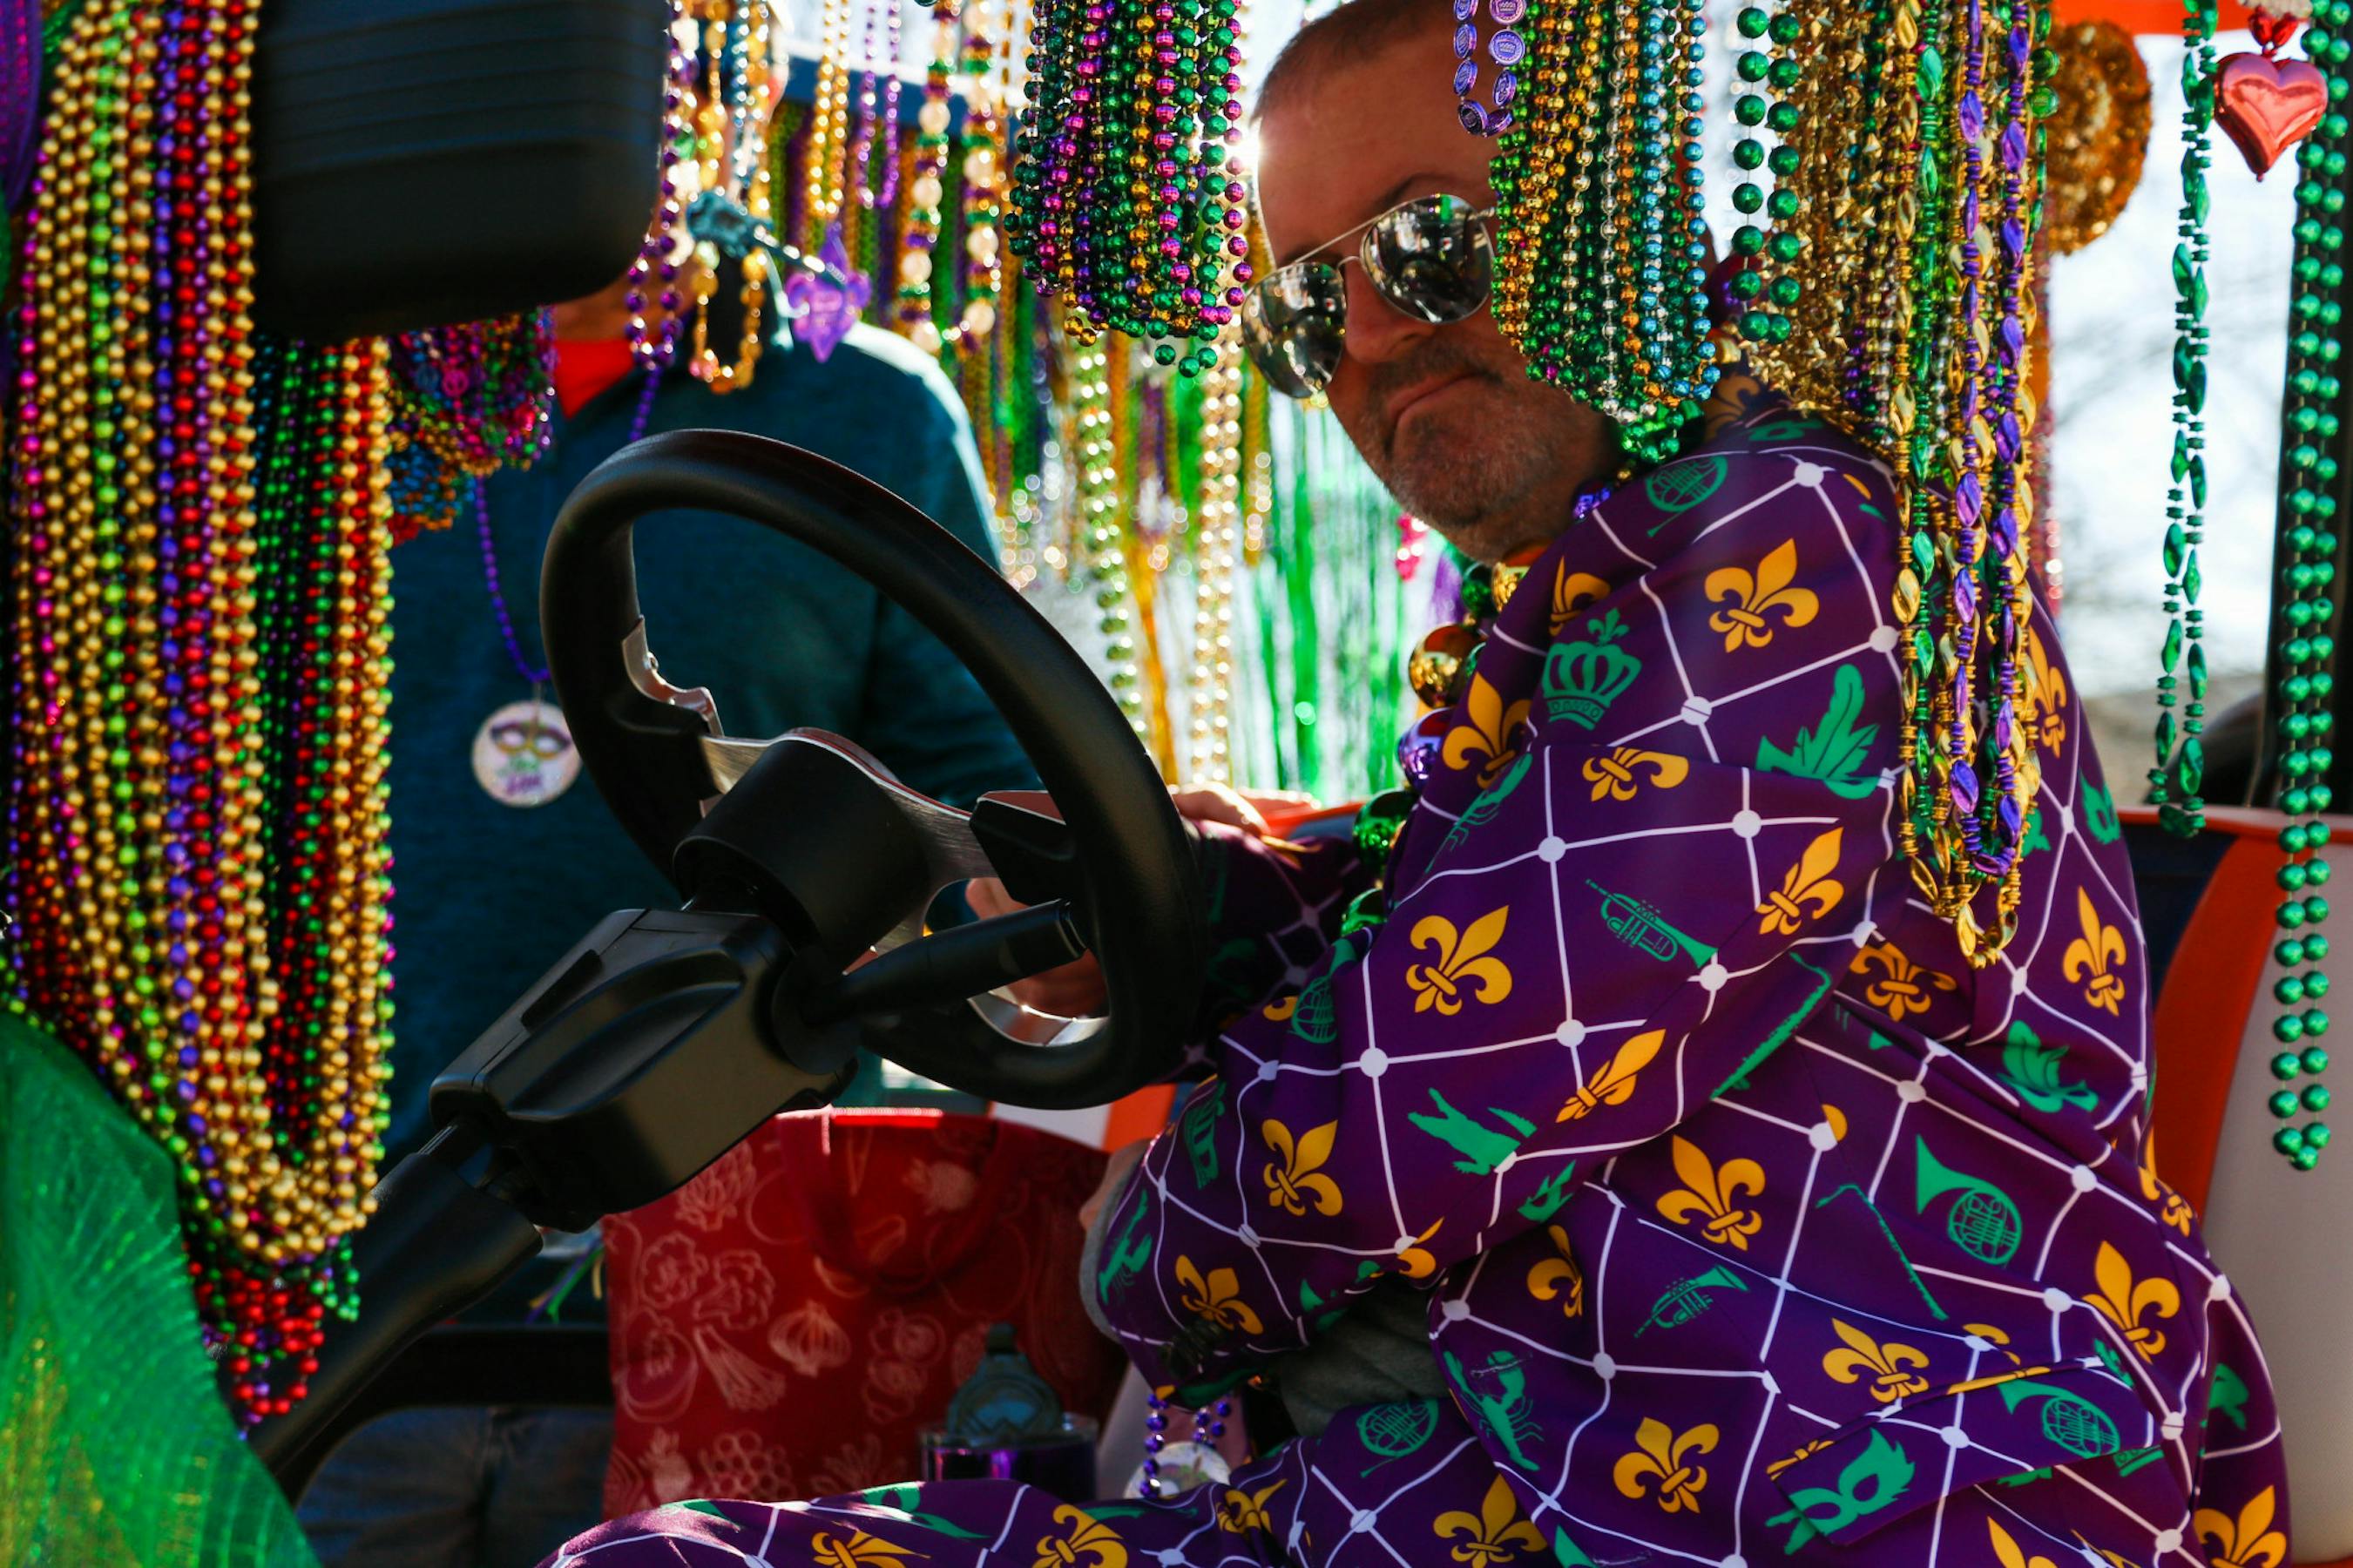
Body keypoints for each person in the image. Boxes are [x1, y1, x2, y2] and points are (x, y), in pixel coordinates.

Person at [543, 2, 2289, 1564]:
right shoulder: (1595, 605)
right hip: (1479, 1481)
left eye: (1430, 243)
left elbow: (1425, 1110)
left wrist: (1137, 1247)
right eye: (1307, 306)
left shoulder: (1791, 548)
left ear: (1611, 216)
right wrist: (1177, 910)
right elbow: (1477, 924)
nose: (1370, 335)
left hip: (1836, 1477)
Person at [294, 266, 1036, 1568]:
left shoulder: (860, 405)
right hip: (342, 1301)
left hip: (742, 1307)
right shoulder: (298, 402)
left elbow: (991, 839)